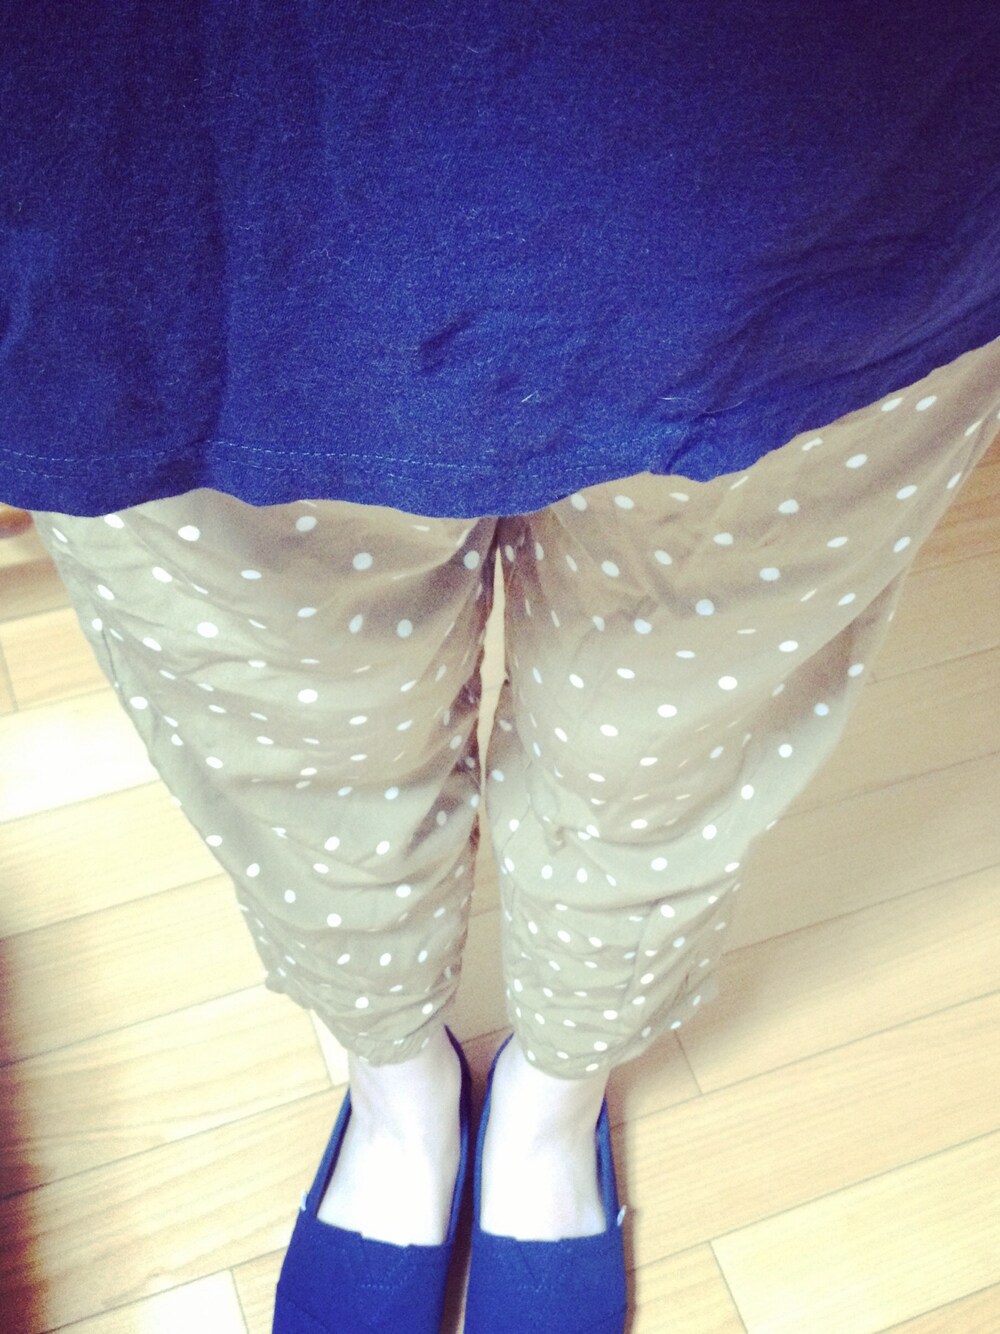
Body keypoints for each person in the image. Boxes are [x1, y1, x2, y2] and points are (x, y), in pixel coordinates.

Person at [3, 5, 1000, 1332]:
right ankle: (396, 1084)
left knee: (664, 767)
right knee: (299, 762)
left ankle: (556, 1093)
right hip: (159, 214)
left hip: (844, 193)